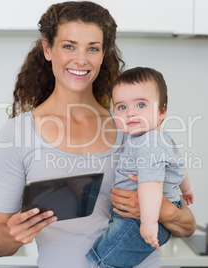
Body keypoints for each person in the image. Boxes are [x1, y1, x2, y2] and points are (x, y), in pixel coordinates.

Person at [0, 2, 196, 268]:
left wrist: (163, 210)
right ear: (47, 49)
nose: (81, 59)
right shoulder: (16, 134)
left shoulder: (131, 127)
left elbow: (187, 225)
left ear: (103, 54)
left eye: (93, 48)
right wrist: (13, 234)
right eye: (69, 46)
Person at [86, 67, 194, 267]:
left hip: (137, 222)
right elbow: (179, 165)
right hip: (142, 218)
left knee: (103, 261)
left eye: (141, 104)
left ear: (162, 110)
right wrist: (185, 189)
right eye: (121, 107)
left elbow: (150, 184)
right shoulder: (158, 137)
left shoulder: (148, 143)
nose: (131, 113)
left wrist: (148, 223)